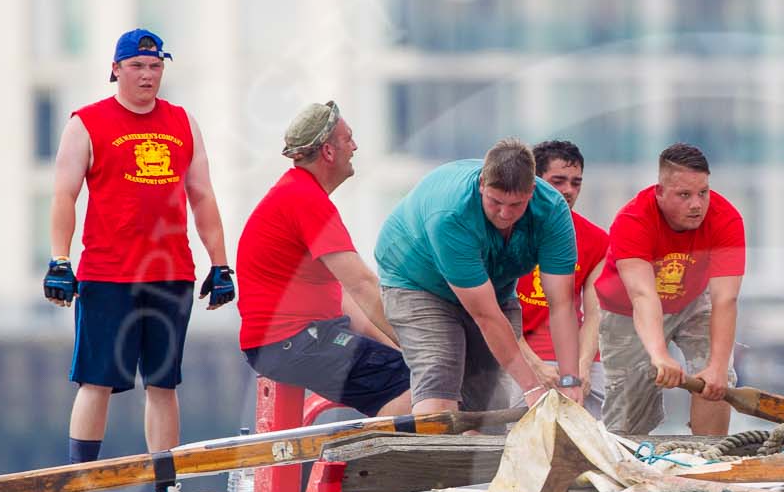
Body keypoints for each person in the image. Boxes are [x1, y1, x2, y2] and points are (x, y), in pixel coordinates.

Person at [44, 28, 233, 492]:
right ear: (117, 69)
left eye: (155, 67)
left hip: (170, 273)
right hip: (107, 273)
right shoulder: (87, 122)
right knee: (96, 381)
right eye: (137, 66)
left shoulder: (181, 122)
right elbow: (65, 195)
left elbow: (203, 195)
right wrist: (59, 261)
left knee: (163, 384)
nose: (147, 75)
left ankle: (165, 491)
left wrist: (220, 262)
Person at [375, 140, 583, 417]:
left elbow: (561, 304)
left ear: (532, 191)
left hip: (493, 287)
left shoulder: (552, 210)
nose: (505, 214)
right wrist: (532, 388)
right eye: (496, 202)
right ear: (482, 184)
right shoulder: (450, 214)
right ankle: (428, 451)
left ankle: (475, 454)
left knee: (489, 404)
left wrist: (570, 381)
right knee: (440, 370)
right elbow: (486, 317)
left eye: (516, 205)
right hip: (417, 283)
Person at [236, 101, 412, 421]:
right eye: (348, 139)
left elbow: (346, 298)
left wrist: (399, 345)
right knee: (419, 386)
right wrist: (418, 345)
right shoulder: (306, 200)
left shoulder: (298, 193)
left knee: (407, 368)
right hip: (293, 342)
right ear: (329, 152)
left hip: (294, 340)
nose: (355, 147)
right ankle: (381, 466)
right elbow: (362, 283)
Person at [594, 143, 745, 436]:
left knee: (718, 377)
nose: (697, 204)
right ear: (660, 192)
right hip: (627, 309)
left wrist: (715, 368)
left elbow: (725, 299)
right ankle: (623, 461)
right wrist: (659, 354)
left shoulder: (726, 219)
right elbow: (642, 295)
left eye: (703, 192)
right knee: (628, 415)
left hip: (691, 301)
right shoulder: (632, 221)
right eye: (684, 195)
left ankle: (709, 456)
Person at [512, 139, 609, 416]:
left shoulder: (597, 241)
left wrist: (581, 366)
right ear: (534, 182)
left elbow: (595, 316)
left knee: (608, 417)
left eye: (576, 182)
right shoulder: (505, 230)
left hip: (575, 355)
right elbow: (494, 315)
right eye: (558, 181)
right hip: (517, 352)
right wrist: (535, 368)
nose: (568, 190)